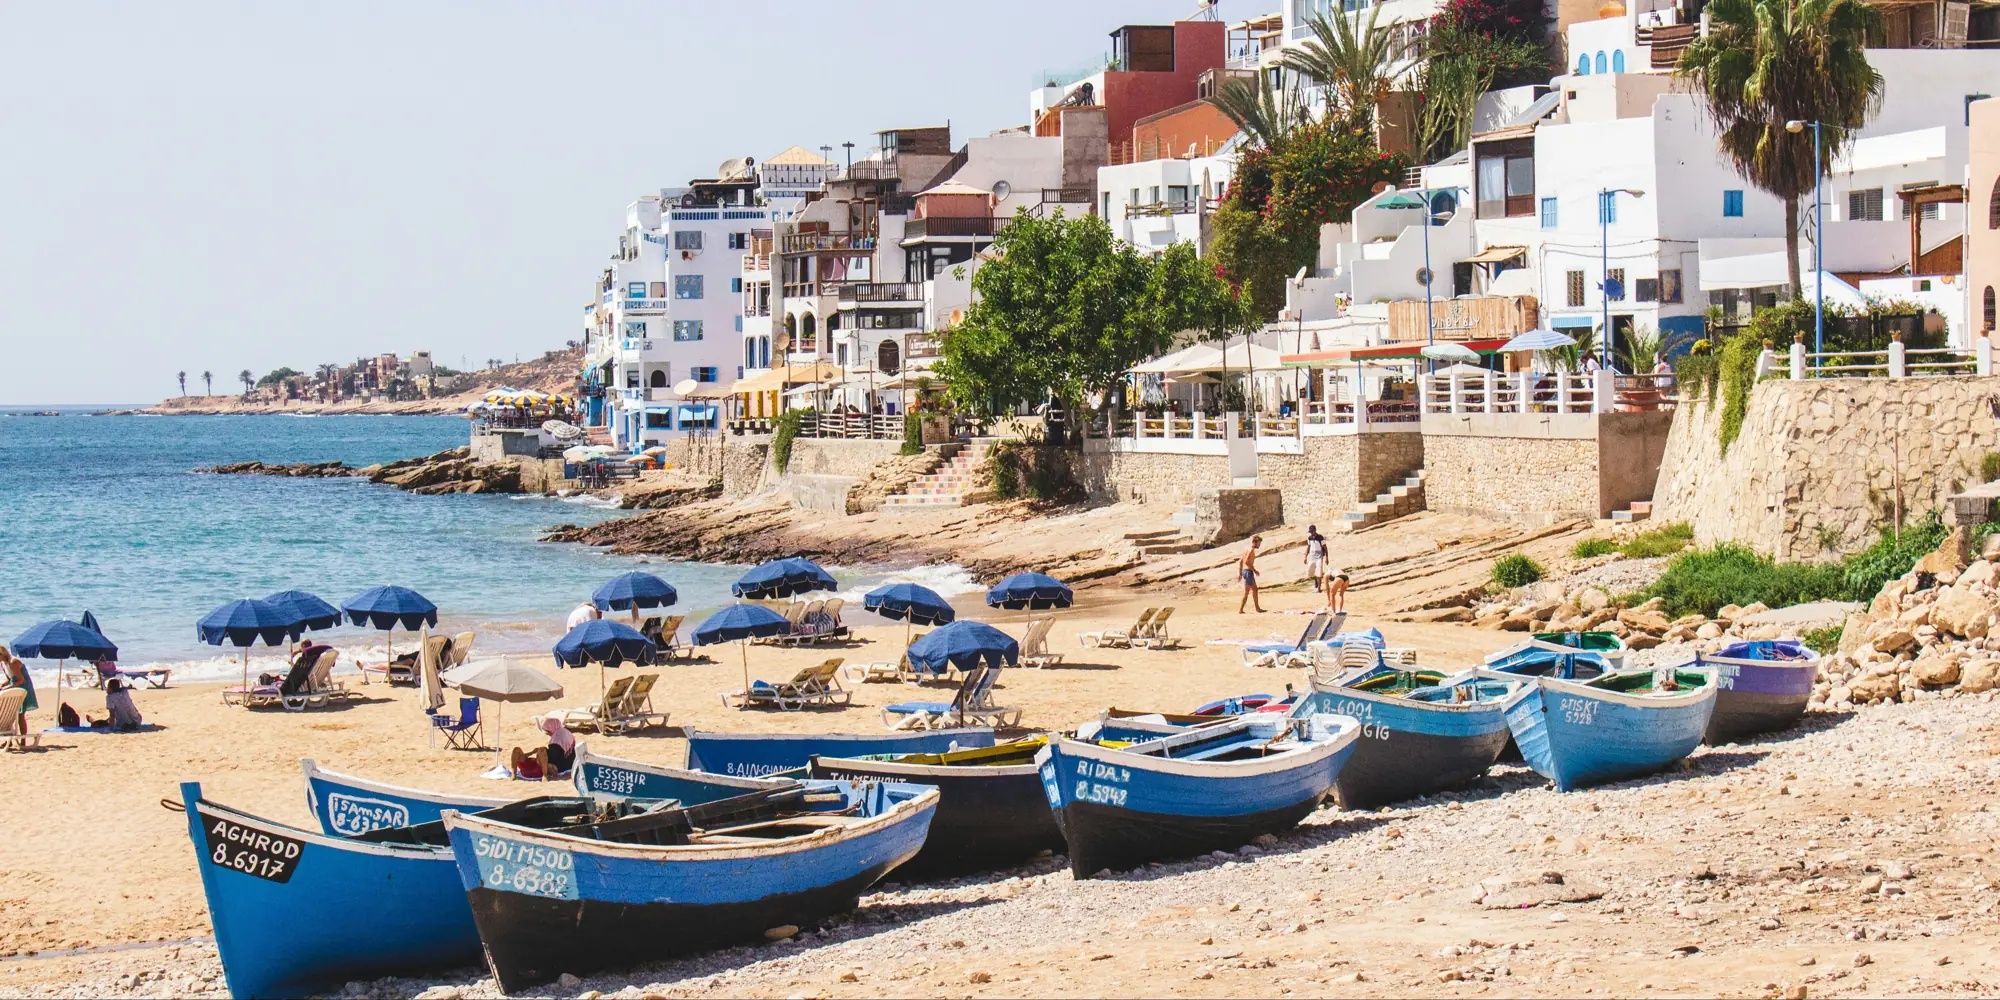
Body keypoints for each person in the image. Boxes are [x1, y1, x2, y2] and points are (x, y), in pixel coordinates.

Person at [511, 715, 577, 781]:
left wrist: (540, 756)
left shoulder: (556, 740)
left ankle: (544, 776)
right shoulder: (566, 732)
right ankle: (514, 774)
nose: (547, 733)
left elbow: (553, 759)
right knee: (517, 750)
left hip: (559, 767)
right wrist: (532, 753)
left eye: (547, 731)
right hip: (570, 763)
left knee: (542, 750)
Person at [97, 662, 143, 732]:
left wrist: (111, 728)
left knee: (103, 723)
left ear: (110, 689)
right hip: (138, 720)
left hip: (125, 724)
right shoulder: (125, 692)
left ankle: (94, 721)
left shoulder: (110, 698)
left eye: (108, 688)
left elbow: (112, 714)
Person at [1, 652, 36, 735]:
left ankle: (23, 740)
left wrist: (7, 688)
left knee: (20, 715)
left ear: (2, 654)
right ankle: (8, 738)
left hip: (22, 689)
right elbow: (10, 678)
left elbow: (21, 680)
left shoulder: (13, 662)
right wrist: (2, 685)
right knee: (9, 713)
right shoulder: (3, 664)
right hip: (14, 688)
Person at [1237, 535, 1264, 614]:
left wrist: (1240, 574)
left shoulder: (1246, 549)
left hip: (1245, 571)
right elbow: (1246, 562)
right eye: (1259, 543)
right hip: (1248, 572)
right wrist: (1255, 571)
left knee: (1250, 591)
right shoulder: (1251, 550)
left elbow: (1241, 562)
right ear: (1255, 542)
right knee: (1252, 590)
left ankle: (1241, 609)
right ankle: (1257, 608)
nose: (1259, 545)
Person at [1303, 526, 1327, 593]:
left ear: (1315, 530)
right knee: (1310, 572)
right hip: (1312, 557)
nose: (1311, 533)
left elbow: (1325, 547)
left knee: (1319, 573)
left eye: (1312, 532)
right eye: (1310, 532)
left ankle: (1319, 589)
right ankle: (1316, 580)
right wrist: (1305, 556)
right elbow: (1308, 547)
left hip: (1319, 557)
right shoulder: (1310, 538)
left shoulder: (1320, 537)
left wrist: (1327, 558)